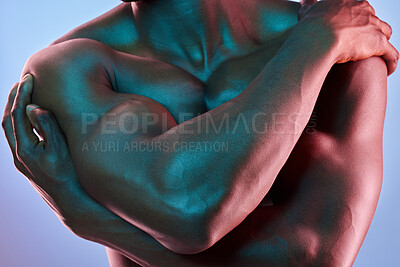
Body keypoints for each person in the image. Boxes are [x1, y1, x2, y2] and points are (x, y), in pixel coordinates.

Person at [2, 0, 398, 266]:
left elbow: (312, 254)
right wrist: (312, 47)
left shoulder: (342, 32)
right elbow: (189, 209)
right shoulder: (68, 68)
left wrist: (88, 217)